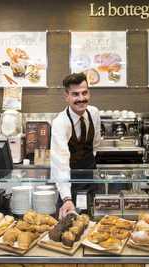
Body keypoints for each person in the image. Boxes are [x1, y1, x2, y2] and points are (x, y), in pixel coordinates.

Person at [50, 73, 101, 218]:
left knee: (91, 224)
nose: (81, 98)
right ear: (66, 96)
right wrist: (67, 198)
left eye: (84, 93)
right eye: (75, 94)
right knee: (67, 230)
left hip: (90, 179)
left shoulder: (94, 113)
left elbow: (95, 143)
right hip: (69, 184)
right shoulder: (60, 123)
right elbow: (60, 163)